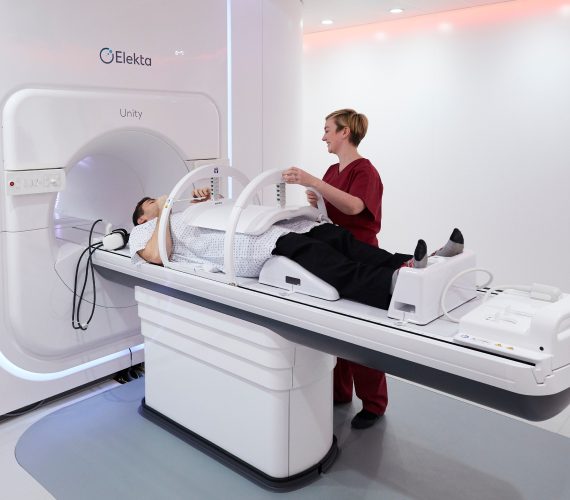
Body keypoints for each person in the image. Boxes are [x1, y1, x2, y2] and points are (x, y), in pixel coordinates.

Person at [130, 193, 464, 318]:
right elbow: (159, 257)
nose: (156, 200)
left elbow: (223, 211)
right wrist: (164, 208)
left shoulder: (181, 211)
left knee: (337, 237)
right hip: (250, 244)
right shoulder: (145, 230)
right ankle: (391, 282)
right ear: (142, 217)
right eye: (149, 204)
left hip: (267, 225)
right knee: (321, 256)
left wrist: (203, 200)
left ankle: (418, 261)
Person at [282, 108, 389, 429]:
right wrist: (316, 198)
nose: (323, 135)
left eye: (328, 129)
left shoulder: (364, 171)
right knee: (335, 330)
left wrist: (313, 181)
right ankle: (340, 393)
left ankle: (374, 404)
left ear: (345, 132)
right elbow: (333, 209)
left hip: (359, 256)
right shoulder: (332, 170)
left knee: (361, 333)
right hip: (333, 255)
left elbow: (355, 206)